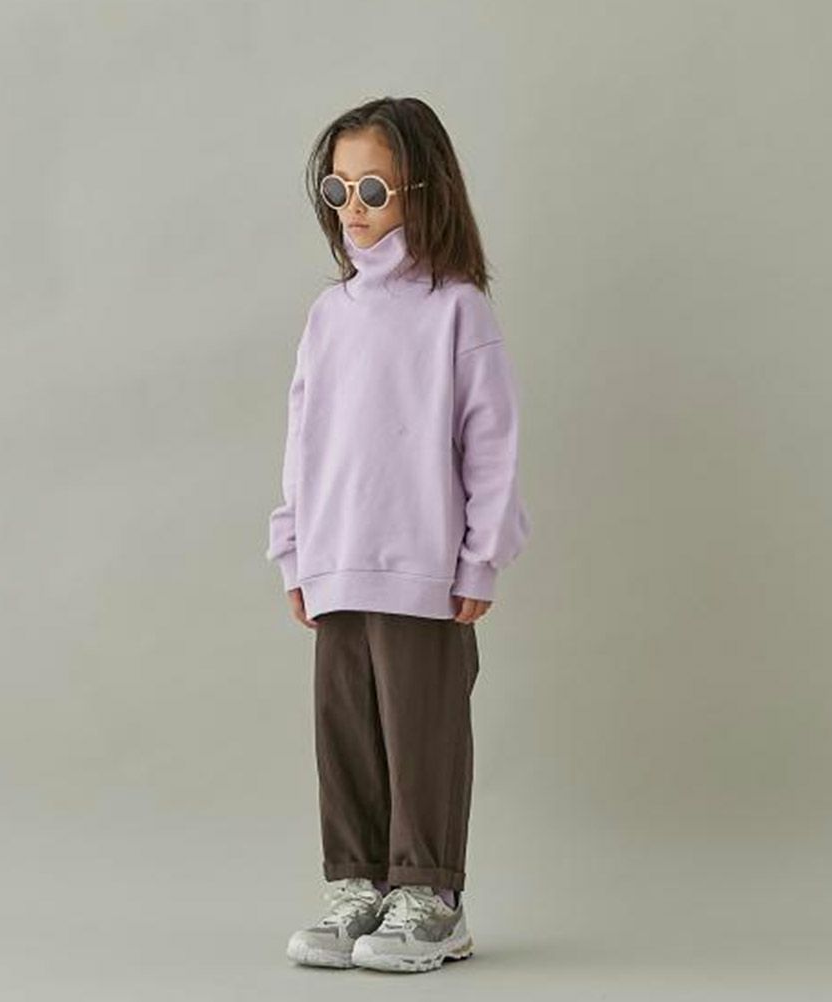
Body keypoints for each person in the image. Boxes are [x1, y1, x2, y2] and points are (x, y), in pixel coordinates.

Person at [265, 96, 530, 974]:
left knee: (422, 732)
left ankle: (431, 896)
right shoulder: (329, 314)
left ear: (422, 190)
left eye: (373, 188)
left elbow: (491, 439)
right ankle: (359, 884)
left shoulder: (457, 309)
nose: (354, 207)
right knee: (345, 729)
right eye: (337, 189)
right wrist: (294, 547)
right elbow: (303, 438)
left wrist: (481, 555)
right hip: (337, 559)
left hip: (423, 564)